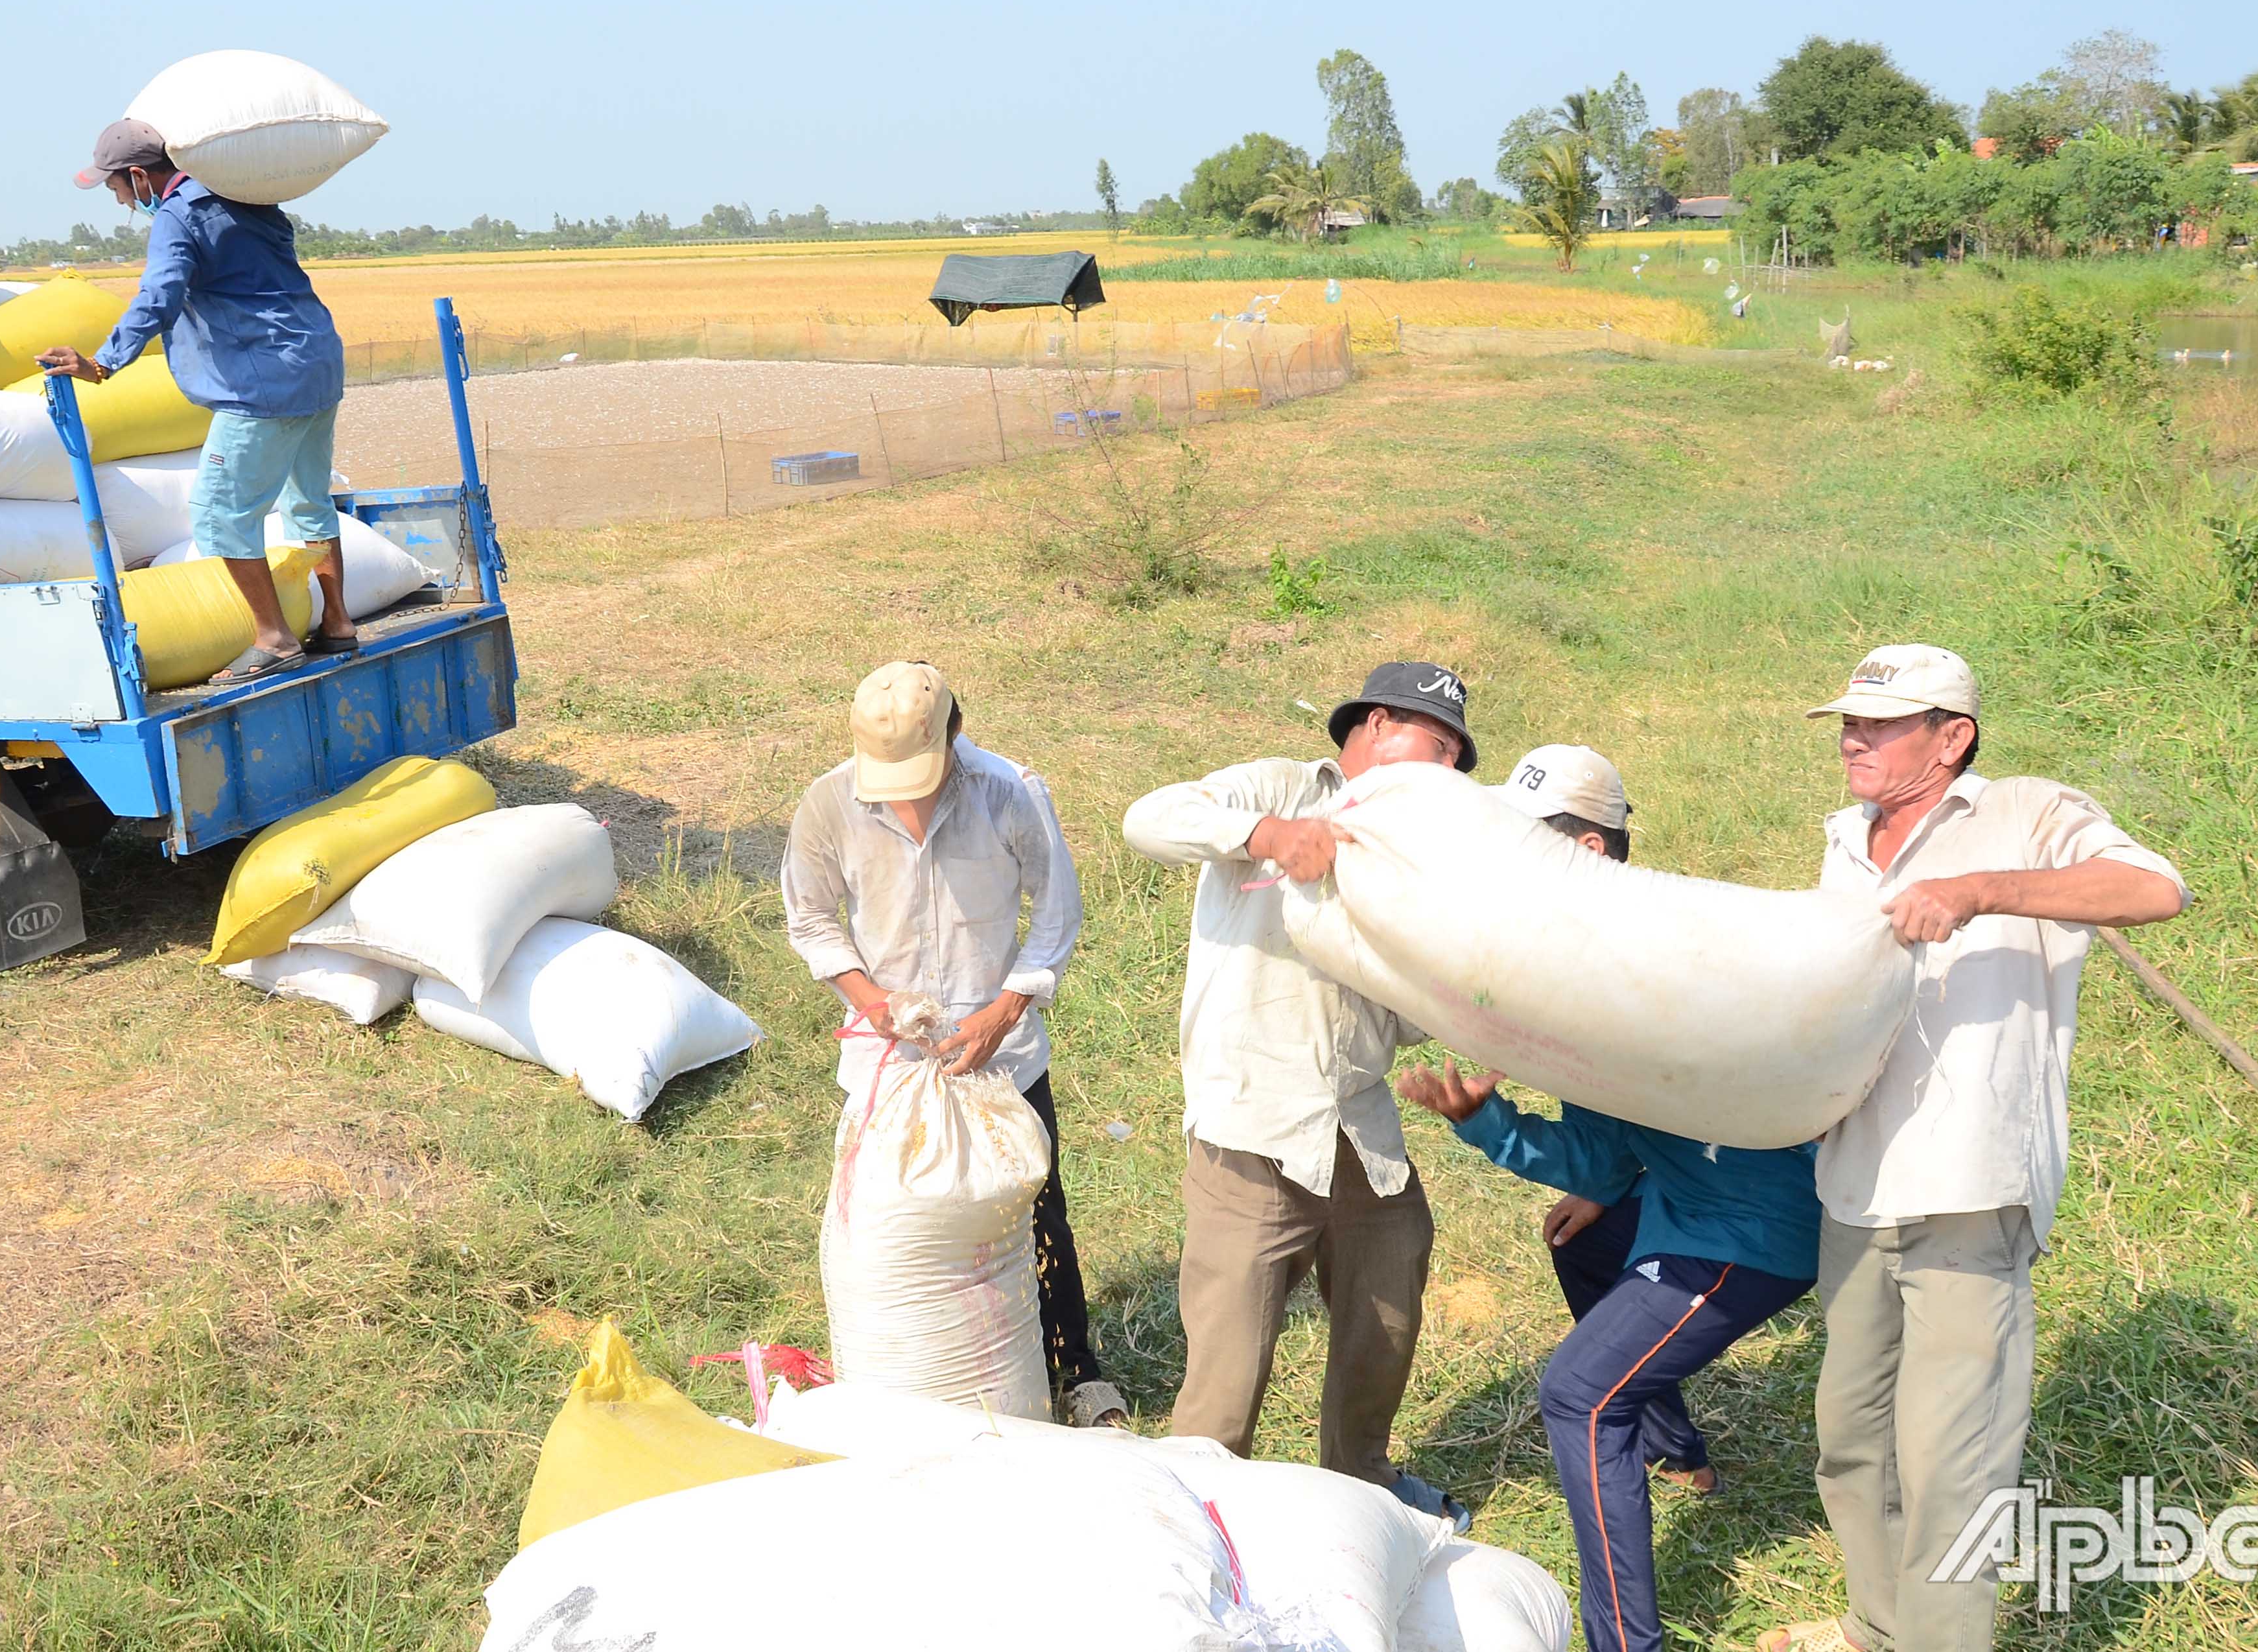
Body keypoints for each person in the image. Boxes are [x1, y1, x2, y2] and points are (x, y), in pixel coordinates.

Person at [1762, 646, 2188, 1652]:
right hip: (1857, 1185)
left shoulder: (2025, 813)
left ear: (1952, 738)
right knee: (1853, 1439)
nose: (1854, 740)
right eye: (1849, 724)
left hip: (1970, 1181)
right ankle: (1878, 1626)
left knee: (1952, 1464)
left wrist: (1983, 890)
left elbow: (2155, 887)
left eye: (1883, 724)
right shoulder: (1844, 840)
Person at [1396, 744, 1822, 1652]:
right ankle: (1678, 1452)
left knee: (1582, 1397)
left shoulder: (1664, 953)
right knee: (1584, 1239)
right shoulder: (1581, 962)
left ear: (1587, 849)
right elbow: (1600, 1156)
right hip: (1683, 1199)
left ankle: (1626, 1642)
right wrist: (1486, 1119)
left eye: (1526, 843)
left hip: (1754, 1224)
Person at [1120, 661, 1479, 1524]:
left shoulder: (1418, 847)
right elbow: (1150, 820)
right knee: (1227, 1369)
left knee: (1386, 1315)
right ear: (1378, 725)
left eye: (1457, 765)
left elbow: (1414, 1000)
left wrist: (1474, 1019)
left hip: (1358, 1127)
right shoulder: (1280, 786)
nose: (1444, 778)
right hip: (1252, 1130)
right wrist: (1270, 835)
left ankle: (1363, 1491)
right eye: (1438, 751)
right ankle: (1201, 1524)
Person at [779, 661, 1128, 1426]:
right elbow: (808, 916)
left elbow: (1058, 912)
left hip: (1000, 1052)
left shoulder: (1010, 793)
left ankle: (1074, 1370)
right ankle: (904, 1382)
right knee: (888, 1221)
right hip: (889, 1063)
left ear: (955, 733)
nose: (905, 792)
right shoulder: (831, 802)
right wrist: (871, 1003)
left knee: (1036, 1212)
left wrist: (1005, 1010)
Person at [38, 117, 353, 683]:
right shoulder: (249, 197)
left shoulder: (181, 215)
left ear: (140, 176)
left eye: (116, 189)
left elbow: (160, 294)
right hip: (317, 361)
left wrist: (105, 361)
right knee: (308, 499)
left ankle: (275, 638)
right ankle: (337, 622)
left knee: (219, 511)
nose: (120, 201)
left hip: (262, 383)